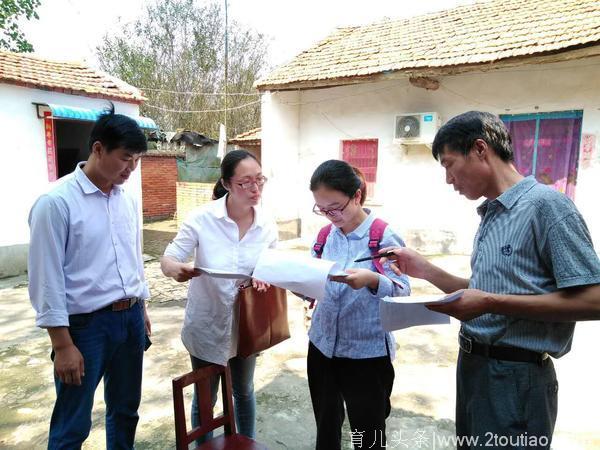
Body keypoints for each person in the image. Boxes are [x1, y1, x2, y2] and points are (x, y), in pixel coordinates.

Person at [382, 111, 600, 449]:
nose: (449, 179)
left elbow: (594, 301)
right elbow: (483, 292)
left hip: (516, 378)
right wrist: (425, 269)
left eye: (449, 164)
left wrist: (491, 303)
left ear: (481, 149)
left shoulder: (548, 207)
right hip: (474, 367)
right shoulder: (492, 214)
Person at [28, 106, 151, 449]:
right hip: (84, 328)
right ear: (98, 149)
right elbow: (46, 278)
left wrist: (141, 306)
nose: (131, 168)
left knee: (126, 411)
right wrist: (62, 344)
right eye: (126, 157)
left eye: (137, 159)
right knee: (73, 424)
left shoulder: (126, 200)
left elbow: (132, 256)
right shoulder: (56, 203)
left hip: (129, 321)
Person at [161, 150, 277, 441]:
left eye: (260, 180)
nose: (255, 189)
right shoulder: (202, 219)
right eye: (246, 182)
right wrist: (177, 269)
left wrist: (266, 276)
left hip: (246, 324)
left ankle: (245, 443)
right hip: (207, 322)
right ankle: (204, 445)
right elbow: (169, 258)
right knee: (206, 397)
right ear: (226, 183)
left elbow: (274, 265)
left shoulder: (266, 224)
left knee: (244, 390)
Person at [307, 160, 410, 450]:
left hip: (366, 354)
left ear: (357, 196)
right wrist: (299, 284)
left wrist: (372, 280)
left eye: (335, 207)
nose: (329, 216)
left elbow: (404, 293)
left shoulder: (382, 237)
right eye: (322, 209)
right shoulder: (325, 236)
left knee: (367, 435)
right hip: (322, 346)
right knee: (326, 426)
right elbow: (313, 280)